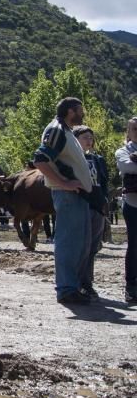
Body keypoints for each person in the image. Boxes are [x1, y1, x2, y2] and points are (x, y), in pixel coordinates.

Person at [33, 98, 93, 305]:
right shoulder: (57, 129)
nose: (82, 114)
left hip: (78, 195)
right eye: (80, 110)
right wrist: (64, 183)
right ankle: (67, 289)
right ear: (70, 111)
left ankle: (72, 286)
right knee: (69, 243)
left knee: (81, 243)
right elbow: (40, 159)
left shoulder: (65, 130)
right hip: (68, 195)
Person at [73, 126, 108, 302]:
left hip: (97, 206)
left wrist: (104, 202)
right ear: (76, 139)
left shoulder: (98, 159)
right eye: (85, 137)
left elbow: (104, 182)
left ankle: (88, 283)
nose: (89, 141)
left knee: (93, 247)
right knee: (82, 247)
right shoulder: (72, 158)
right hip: (81, 205)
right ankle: (78, 283)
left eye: (90, 138)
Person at [114, 116, 137, 304]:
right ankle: (131, 287)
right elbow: (126, 166)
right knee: (134, 246)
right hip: (133, 205)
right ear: (128, 132)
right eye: (135, 129)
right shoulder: (122, 151)